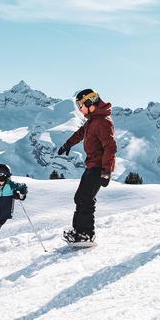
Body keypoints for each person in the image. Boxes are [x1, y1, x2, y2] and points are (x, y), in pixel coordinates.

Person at [56, 89, 117, 243]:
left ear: (90, 102)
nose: (79, 109)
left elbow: (110, 147)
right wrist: (68, 144)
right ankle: (78, 231)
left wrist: (106, 172)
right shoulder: (93, 120)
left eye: (81, 105)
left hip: (99, 167)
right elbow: (81, 132)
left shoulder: (103, 122)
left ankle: (87, 234)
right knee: (80, 198)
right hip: (92, 165)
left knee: (86, 199)